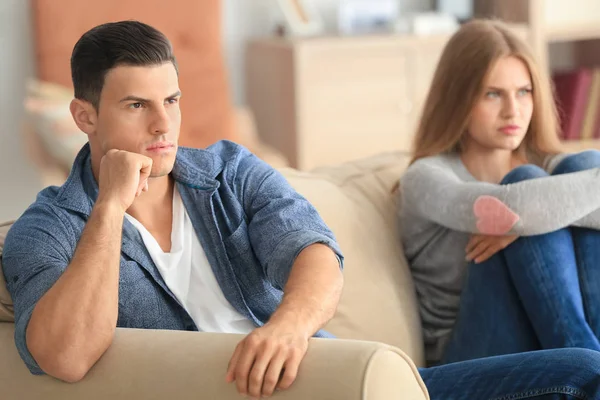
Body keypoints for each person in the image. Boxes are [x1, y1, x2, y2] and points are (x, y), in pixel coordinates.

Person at [4, 20, 600, 400]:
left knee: (581, 372)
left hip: (337, 374)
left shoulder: (229, 171)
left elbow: (314, 251)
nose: (164, 125)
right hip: (263, 389)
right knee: (580, 372)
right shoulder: (48, 229)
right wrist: (109, 207)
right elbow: (64, 355)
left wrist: (288, 327)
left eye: (172, 100)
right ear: (86, 118)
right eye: (137, 105)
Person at [398, 17, 600, 370]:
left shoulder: (554, 166)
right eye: (493, 94)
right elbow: (507, 208)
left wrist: (527, 218)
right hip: (469, 359)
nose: (513, 110)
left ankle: (587, 357)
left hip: (546, 337)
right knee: (525, 182)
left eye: (524, 92)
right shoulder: (425, 178)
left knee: (581, 162)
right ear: (458, 100)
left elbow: (522, 210)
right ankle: (585, 361)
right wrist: (526, 217)